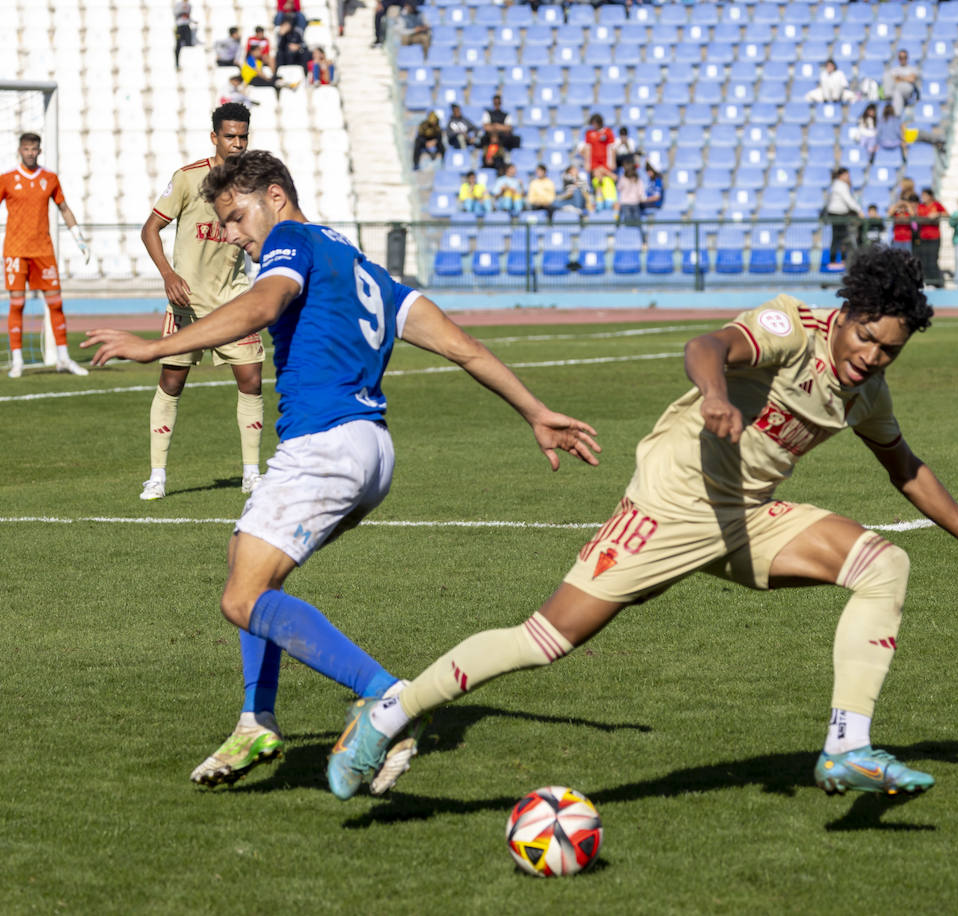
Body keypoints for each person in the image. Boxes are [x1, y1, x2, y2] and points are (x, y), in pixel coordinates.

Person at [323, 245, 958, 802]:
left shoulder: (866, 393)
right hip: (670, 503)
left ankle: (848, 747)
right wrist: (717, 395)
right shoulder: (793, 326)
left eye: (889, 352)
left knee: (884, 564)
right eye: (869, 341)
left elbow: (904, 466)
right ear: (849, 314)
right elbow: (706, 345)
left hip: (746, 518)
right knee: (544, 640)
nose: (872, 359)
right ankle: (387, 714)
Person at [83, 150, 600, 790]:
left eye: (238, 218)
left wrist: (155, 346)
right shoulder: (360, 265)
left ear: (275, 197)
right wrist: (535, 411)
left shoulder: (292, 241)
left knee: (242, 598)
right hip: (372, 451)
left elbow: (263, 307)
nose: (237, 237)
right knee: (250, 561)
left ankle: (388, 702)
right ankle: (254, 721)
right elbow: (460, 346)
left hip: (324, 446)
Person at [136, 103, 264, 502]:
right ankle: (157, 476)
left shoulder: (254, 186)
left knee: (252, 380)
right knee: (171, 383)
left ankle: (251, 474)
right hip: (187, 304)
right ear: (215, 138)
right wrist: (169, 276)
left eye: (243, 136)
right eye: (230, 136)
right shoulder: (189, 179)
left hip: (233, 300)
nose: (238, 143)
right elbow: (150, 229)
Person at [0, 132, 92, 378]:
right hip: (15, 251)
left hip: (43, 251)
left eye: (34, 148)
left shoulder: (50, 178)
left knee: (56, 304)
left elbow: (64, 208)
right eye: (26, 148)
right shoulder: (7, 179)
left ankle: (63, 358)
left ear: (39, 150)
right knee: (17, 303)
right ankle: (17, 361)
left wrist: (79, 237)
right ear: (19, 150)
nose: (30, 153)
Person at [823, 166, 863, 267]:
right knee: (838, 238)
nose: (848, 177)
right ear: (841, 175)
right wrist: (859, 211)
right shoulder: (840, 185)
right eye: (846, 175)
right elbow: (848, 200)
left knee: (841, 238)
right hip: (838, 215)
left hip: (841, 214)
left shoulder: (839, 185)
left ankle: (841, 259)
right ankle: (834, 260)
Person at [914, 188, 947, 287]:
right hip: (923, 237)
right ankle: (927, 282)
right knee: (924, 261)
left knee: (933, 260)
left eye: (925, 195)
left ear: (930, 196)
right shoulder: (920, 206)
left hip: (934, 238)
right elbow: (916, 218)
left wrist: (937, 214)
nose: (923, 198)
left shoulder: (936, 205)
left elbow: (947, 214)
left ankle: (937, 283)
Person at [884, 50, 920, 114]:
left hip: (908, 89)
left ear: (907, 58)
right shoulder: (895, 69)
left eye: (904, 57)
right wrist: (905, 78)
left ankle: (889, 100)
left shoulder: (912, 69)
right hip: (896, 88)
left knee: (896, 91)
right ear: (898, 58)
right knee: (896, 92)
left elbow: (912, 79)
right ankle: (897, 114)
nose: (902, 59)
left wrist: (899, 78)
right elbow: (893, 79)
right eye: (900, 57)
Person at [581, 113, 615, 177]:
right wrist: (587, 163)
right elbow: (587, 148)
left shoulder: (607, 131)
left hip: (605, 160)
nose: (593, 125)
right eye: (592, 123)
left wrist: (613, 161)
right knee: (597, 176)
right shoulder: (589, 133)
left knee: (607, 177)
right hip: (594, 161)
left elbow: (611, 147)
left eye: (595, 123)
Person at [616, 161, 643, 226]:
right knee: (634, 221)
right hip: (632, 202)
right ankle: (630, 234)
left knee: (630, 221)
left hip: (628, 203)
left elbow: (618, 188)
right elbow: (640, 192)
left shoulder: (624, 179)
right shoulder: (637, 179)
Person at [173, 1, 194, 69]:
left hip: (186, 26)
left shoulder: (189, 5)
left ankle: (187, 64)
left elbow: (188, 16)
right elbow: (175, 15)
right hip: (179, 27)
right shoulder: (178, 4)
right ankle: (177, 63)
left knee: (189, 44)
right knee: (178, 45)